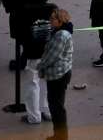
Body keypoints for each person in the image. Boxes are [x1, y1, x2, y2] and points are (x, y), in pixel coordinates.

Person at [17, 0, 55, 125]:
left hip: (33, 52)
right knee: (48, 83)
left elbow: (20, 32)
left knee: (33, 83)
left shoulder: (25, 10)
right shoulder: (52, 8)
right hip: (50, 52)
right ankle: (48, 111)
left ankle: (34, 116)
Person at [37, 8, 74, 140]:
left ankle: (61, 135)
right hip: (59, 73)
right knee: (56, 105)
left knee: (57, 107)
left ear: (60, 21)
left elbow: (51, 56)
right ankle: (59, 134)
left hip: (58, 75)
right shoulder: (57, 32)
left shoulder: (61, 35)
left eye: (53, 19)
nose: (50, 21)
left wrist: (40, 67)